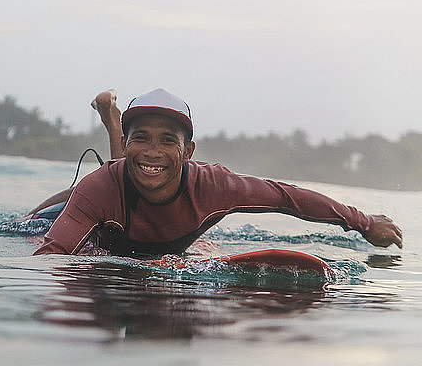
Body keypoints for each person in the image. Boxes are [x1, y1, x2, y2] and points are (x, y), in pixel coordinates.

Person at [33, 88, 403, 257]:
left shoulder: (215, 186)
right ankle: (113, 124)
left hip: (129, 209)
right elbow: (52, 254)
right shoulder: (98, 189)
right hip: (96, 231)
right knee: (72, 203)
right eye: (140, 137)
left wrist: (364, 222)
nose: (154, 149)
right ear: (129, 142)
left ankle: (113, 121)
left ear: (189, 152)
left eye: (168, 140)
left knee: (137, 171)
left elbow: (285, 196)